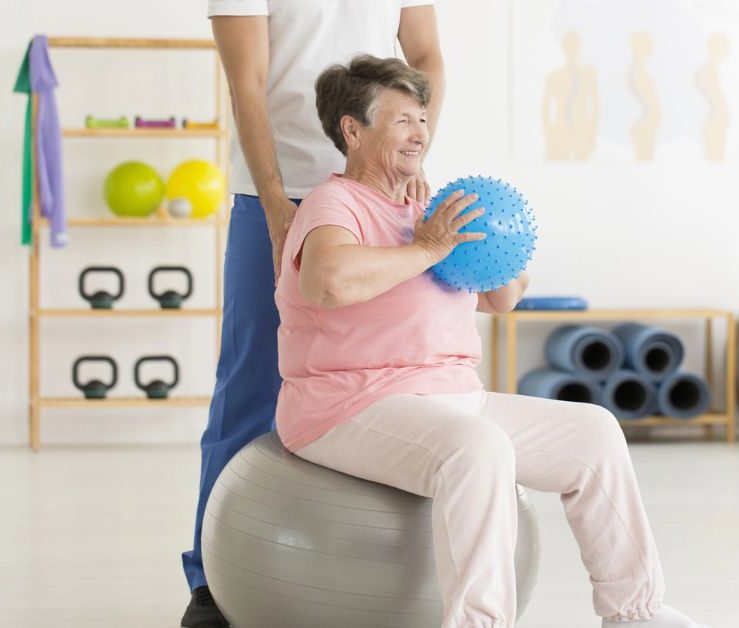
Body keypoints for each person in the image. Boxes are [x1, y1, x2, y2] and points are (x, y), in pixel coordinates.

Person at [277, 54, 709, 628]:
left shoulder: (427, 210)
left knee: (595, 432)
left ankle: (635, 613)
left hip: (455, 398)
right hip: (349, 405)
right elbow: (328, 282)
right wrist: (429, 248)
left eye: (422, 119)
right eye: (402, 120)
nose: (420, 133)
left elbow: (503, 298)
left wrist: (488, 241)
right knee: (478, 448)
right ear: (352, 131)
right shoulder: (335, 204)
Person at [182, 3, 445, 627]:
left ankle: (385, 574)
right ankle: (211, 583)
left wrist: (408, 148)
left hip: (379, 188)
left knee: (395, 373)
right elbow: (247, 83)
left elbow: (427, 56)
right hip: (276, 194)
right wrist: (276, 202)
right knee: (250, 385)